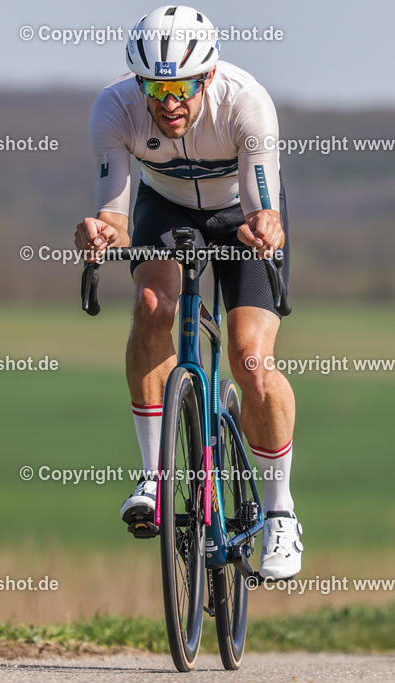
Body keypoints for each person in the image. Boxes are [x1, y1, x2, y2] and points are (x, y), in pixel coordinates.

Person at [73, 5, 301, 580]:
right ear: (138, 82)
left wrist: (266, 226)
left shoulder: (247, 103)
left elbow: (260, 208)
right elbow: (118, 215)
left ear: (208, 77)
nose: (168, 102)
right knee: (153, 306)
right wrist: (101, 229)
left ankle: (281, 512)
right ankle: (153, 476)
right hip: (165, 209)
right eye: (155, 87)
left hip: (239, 216)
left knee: (251, 360)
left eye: (180, 87)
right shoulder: (114, 108)